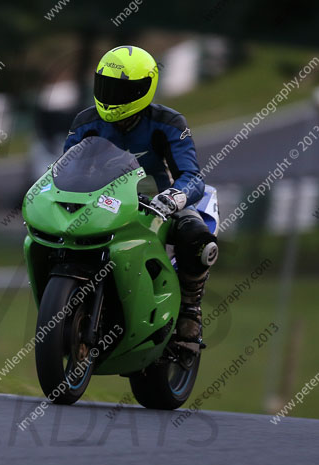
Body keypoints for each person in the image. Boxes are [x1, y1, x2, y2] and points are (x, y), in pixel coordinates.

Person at [63, 45, 218, 360]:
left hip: (156, 204)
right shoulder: (85, 121)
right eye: (106, 86)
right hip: (100, 204)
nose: (111, 95)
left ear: (144, 88)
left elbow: (192, 175)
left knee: (197, 238)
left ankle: (190, 310)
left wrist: (174, 197)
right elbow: (62, 169)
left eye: (121, 89)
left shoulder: (169, 122)